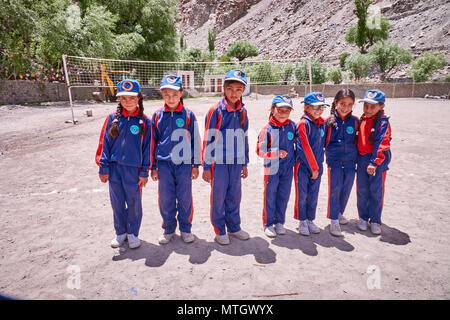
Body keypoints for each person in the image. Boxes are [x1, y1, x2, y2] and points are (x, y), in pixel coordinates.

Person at [95, 79, 152, 249]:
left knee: (134, 203)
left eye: (132, 98)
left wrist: (144, 172)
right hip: (114, 169)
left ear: (139, 99)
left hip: (133, 171)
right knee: (117, 202)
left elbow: (148, 148)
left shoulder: (145, 122)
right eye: (123, 98)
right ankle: (120, 233)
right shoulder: (112, 119)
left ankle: (133, 233)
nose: (128, 102)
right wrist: (103, 167)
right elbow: (104, 144)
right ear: (119, 100)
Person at [150, 75, 201, 244]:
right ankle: (168, 229)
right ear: (162, 95)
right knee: (166, 198)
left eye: (174, 94)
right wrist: (154, 166)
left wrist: (195, 165)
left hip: (184, 164)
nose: (170, 98)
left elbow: (195, 140)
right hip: (163, 164)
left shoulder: (188, 115)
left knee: (185, 197)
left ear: (181, 94)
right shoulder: (157, 116)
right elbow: (153, 142)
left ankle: (186, 229)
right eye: (166, 94)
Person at [202, 69, 250, 245]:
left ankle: (234, 227)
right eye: (230, 88)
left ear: (243, 91)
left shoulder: (243, 112)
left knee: (234, 196)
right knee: (219, 197)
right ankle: (220, 230)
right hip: (219, 163)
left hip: (236, 162)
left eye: (239, 89)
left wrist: (245, 162)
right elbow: (208, 139)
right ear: (224, 88)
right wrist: (207, 167)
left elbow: (244, 138)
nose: (234, 93)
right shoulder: (215, 110)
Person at [256, 95, 297, 238]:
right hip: (271, 169)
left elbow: (299, 144)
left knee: (284, 195)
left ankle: (280, 222)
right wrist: (276, 153)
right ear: (273, 109)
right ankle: (267, 224)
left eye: (287, 111)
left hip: (287, 168)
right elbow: (259, 151)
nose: (283, 114)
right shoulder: (266, 129)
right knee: (270, 195)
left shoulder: (292, 126)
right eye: (280, 110)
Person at [355, 89, 391, 235]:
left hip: (376, 162)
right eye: (366, 106)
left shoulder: (383, 123)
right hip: (363, 160)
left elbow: (382, 143)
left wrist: (374, 162)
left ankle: (375, 220)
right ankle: (363, 217)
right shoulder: (362, 120)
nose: (368, 110)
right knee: (362, 190)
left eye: (373, 106)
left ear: (381, 106)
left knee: (376, 191)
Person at [325, 89, 359, 237]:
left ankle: (339, 213)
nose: (346, 107)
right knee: (335, 189)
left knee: (346, 188)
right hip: (335, 162)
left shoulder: (356, 122)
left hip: (351, 162)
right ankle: (333, 221)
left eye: (350, 104)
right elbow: (323, 143)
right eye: (342, 103)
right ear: (336, 103)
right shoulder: (329, 122)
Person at [294, 92, 328, 236]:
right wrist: (313, 168)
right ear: (306, 107)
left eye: (321, 107)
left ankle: (310, 219)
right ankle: (302, 220)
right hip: (303, 166)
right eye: (315, 107)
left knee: (313, 194)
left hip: (317, 166)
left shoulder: (322, 123)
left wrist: (318, 167)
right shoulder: (303, 124)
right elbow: (305, 148)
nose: (319, 110)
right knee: (302, 195)